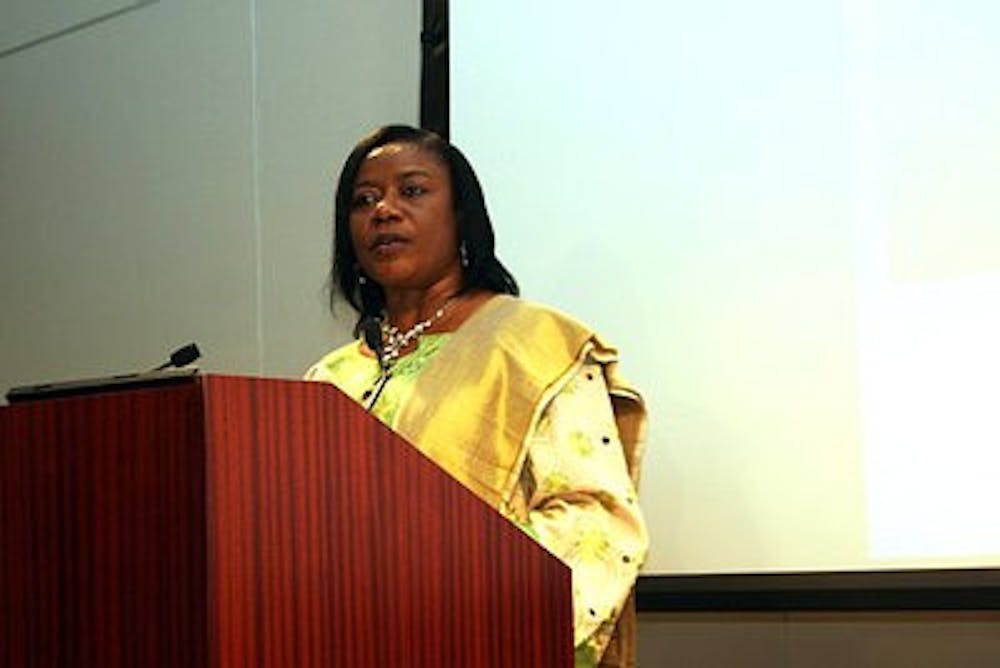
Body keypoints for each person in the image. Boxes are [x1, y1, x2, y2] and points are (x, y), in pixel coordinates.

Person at [305, 125, 648, 667]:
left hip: (478, 642)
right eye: (363, 200)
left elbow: (594, 520)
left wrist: (460, 606)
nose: (383, 211)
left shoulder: (535, 344)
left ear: (462, 216)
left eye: (411, 191)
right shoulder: (329, 380)